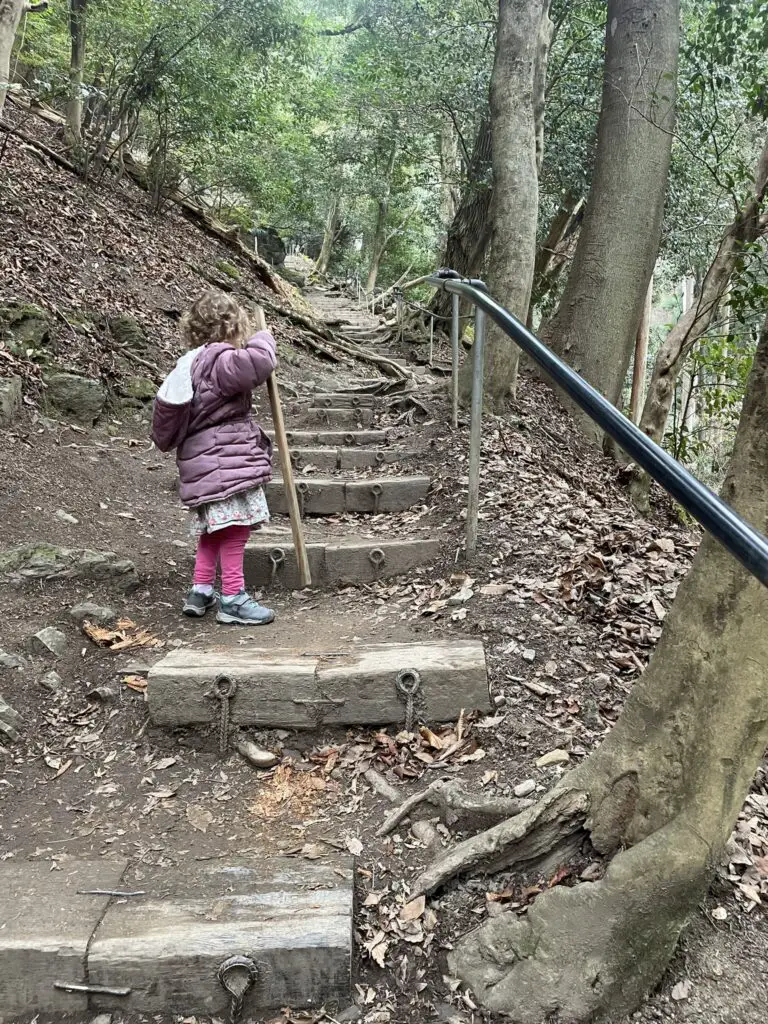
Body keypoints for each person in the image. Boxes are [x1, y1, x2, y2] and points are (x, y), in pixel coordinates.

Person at [151, 290, 276, 625]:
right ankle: (233, 598)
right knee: (235, 529)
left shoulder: (189, 362)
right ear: (233, 326)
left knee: (213, 529)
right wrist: (263, 339)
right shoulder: (219, 359)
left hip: (202, 460)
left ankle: (201, 589)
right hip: (226, 460)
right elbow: (257, 365)